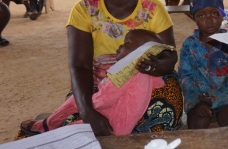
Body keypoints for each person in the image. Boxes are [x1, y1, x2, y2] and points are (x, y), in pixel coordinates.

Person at [15, 0, 183, 139]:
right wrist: (87, 112)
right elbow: (80, 66)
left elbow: (170, 57)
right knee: (78, 124)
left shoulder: (153, 8)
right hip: (99, 85)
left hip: (146, 82)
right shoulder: (84, 10)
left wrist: (155, 66)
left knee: (164, 114)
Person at [18, 29, 173, 136]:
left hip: (107, 128)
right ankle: (50, 124)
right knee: (78, 102)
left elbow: (103, 100)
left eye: (127, 43)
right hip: (121, 127)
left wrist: (85, 105)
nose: (120, 45)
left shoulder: (126, 75)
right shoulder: (145, 73)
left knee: (75, 103)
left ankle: (48, 126)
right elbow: (158, 83)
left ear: (141, 53)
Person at [178, 0, 228, 129]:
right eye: (201, 15)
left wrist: (215, 98)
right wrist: (198, 101)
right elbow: (185, 76)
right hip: (197, 97)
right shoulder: (190, 43)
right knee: (197, 126)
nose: (209, 19)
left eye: (214, 13)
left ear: (222, 15)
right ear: (194, 18)